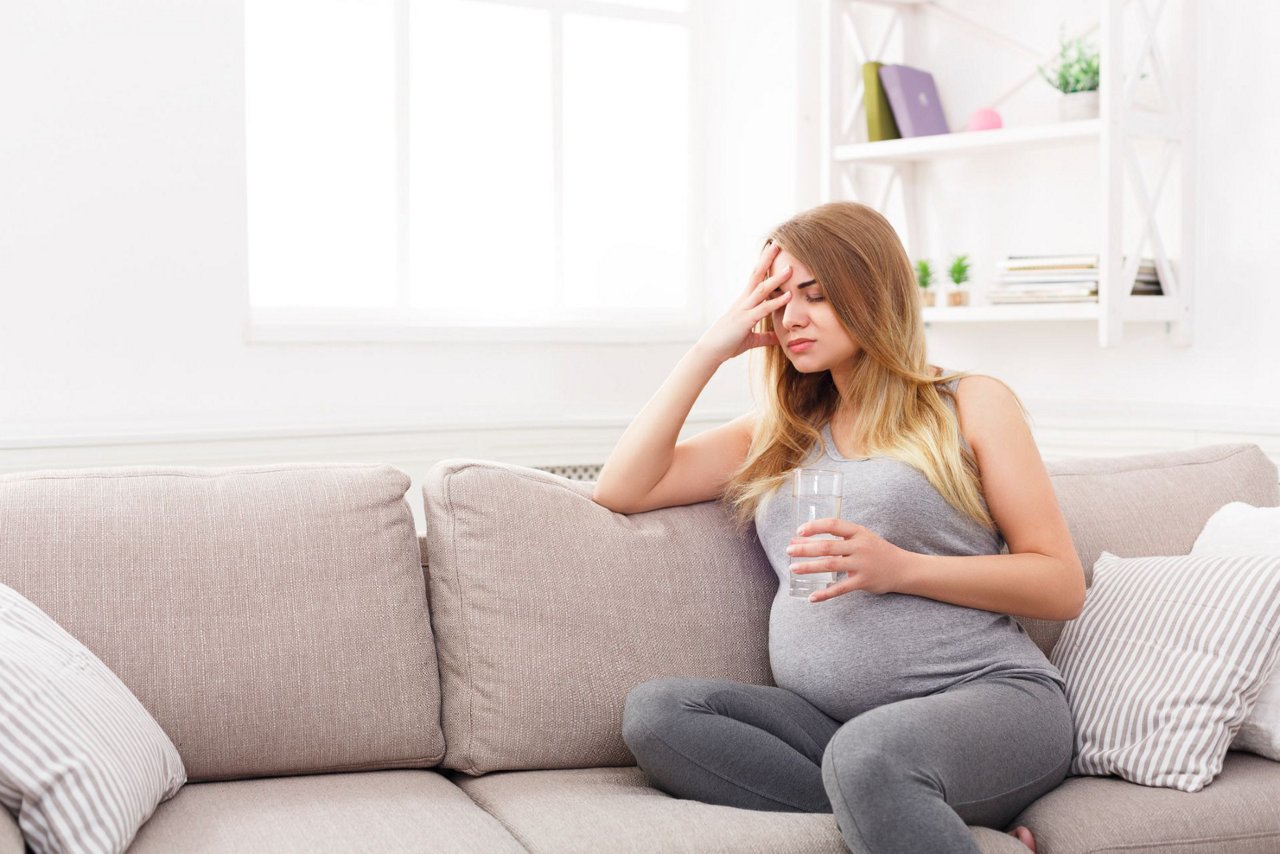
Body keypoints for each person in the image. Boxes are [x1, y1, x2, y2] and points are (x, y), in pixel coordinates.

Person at [590, 201, 1085, 854]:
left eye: (814, 295)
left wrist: (902, 568)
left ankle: (894, 796)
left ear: (870, 293)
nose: (789, 316)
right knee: (661, 716)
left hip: (992, 701)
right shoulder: (779, 433)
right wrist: (712, 346)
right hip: (832, 726)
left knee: (869, 758)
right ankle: (910, 815)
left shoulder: (967, 402)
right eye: (776, 297)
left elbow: (1060, 584)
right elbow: (623, 486)